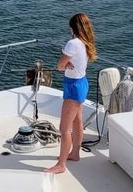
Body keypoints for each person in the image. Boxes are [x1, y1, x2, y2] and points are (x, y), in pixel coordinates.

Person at [45, 13, 97, 174]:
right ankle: (75, 153)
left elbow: (60, 65)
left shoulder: (72, 43)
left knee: (64, 128)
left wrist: (64, 65)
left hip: (73, 87)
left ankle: (61, 165)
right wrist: (67, 64)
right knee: (77, 121)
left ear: (72, 28)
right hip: (81, 83)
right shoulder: (84, 42)